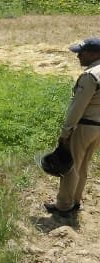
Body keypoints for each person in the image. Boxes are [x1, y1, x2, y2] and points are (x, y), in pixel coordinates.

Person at [48, 37, 100, 217]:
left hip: (84, 126)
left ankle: (63, 206)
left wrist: (66, 131)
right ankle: (76, 201)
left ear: (94, 54)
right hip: (98, 128)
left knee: (70, 166)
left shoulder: (90, 76)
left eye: (82, 52)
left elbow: (78, 107)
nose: (78, 56)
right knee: (83, 165)